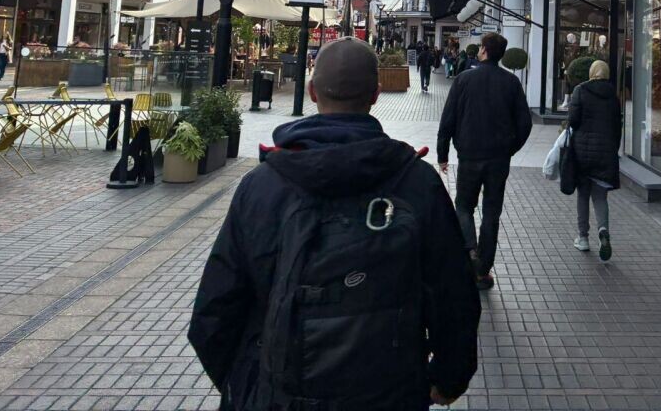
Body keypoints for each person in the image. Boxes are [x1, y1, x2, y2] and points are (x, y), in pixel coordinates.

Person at [189, 38, 480, 410]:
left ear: (311, 91)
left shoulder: (261, 187)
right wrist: (448, 379)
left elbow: (215, 307)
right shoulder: (417, 183)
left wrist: (245, 386)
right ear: (375, 95)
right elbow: (454, 295)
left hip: (280, 395)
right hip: (390, 392)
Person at [437, 32, 533, 291]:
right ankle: (483, 269)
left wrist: (443, 154)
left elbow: (448, 119)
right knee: (492, 212)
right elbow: (525, 123)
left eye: (480, 47)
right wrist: (510, 148)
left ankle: (469, 250)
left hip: (469, 155)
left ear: (484, 51)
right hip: (498, 159)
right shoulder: (511, 83)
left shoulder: (464, 80)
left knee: (464, 206)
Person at [567, 59, 623, 261]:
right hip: (606, 152)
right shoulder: (613, 95)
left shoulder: (580, 90)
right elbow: (618, 126)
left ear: (591, 72)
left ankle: (582, 238)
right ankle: (603, 230)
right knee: (600, 197)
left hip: (583, 152)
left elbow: (573, 120)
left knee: (583, 195)